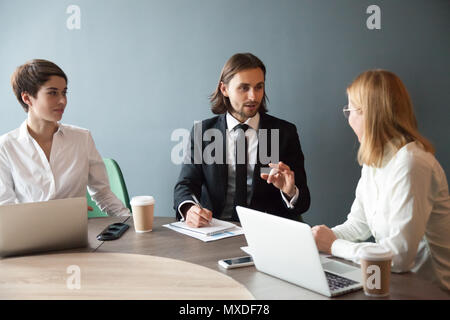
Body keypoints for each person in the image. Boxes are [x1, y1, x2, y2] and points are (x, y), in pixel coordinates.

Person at [312, 69, 450, 290]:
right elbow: (358, 225)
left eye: (350, 110)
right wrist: (315, 239)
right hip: (395, 283)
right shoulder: (375, 161)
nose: (349, 120)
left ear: (370, 114)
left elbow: (399, 257)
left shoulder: (412, 164)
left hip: (428, 290)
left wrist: (334, 245)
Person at [174, 53, 310, 227]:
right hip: (214, 228)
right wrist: (189, 209)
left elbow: (303, 201)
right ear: (224, 89)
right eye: (244, 88)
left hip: (266, 231)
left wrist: (290, 191)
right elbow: (185, 184)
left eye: (259, 87)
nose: (253, 96)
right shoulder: (204, 132)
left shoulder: (283, 133)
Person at [0, 59, 130, 216]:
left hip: (76, 235)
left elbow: (103, 195)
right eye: (53, 93)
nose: (63, 101)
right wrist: (61, 213)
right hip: (28, 237)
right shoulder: (5, 147)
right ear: (27, 98)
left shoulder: (82, 138)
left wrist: (130, 224)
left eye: (64, 92)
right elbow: (5, 211)